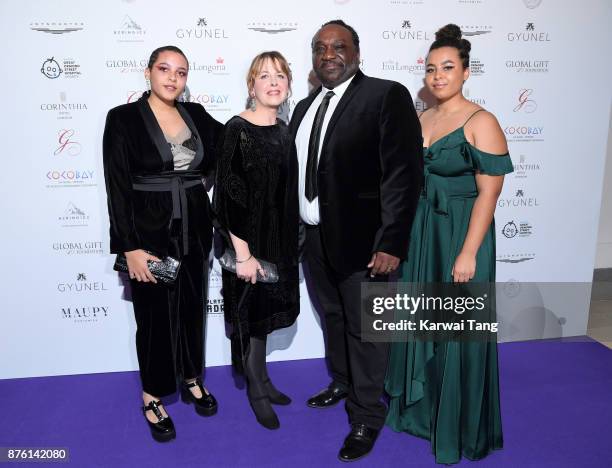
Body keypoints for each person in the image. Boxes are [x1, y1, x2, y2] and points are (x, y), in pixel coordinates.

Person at [290, 20, 423, 461]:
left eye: (339, 46)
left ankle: (366, 416)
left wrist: (391, 242)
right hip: (313, 240)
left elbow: (403, 176)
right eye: (320, 48)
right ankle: (342, 382)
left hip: (367, 244)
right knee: (333, 318)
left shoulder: (385, 95)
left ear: (357, 52)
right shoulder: (305, 107)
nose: (329, 55)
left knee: (367, 331)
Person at [384, 24, 512, 464]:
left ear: (466, 71)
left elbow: (489, 193)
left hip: (459, 233)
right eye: (431, 69)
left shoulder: (482, 121)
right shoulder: (423, 117)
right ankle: (421, 414)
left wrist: (468, 252)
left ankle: (457, 426)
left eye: (448, 68)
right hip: (423, 233)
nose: (438, 76)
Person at [102, 46, 223, 442]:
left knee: (192, 305)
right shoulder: (122, 119)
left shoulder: (197, 115)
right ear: (148, 72)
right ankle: (152, 394)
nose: (173, 78)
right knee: (153, 316)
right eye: (164, 69)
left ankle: (191, 376)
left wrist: (265, 108)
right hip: (147, 231)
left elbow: (234, 145)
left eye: (181, 72)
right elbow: (117, 187)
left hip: (194, 225)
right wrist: (128, 246)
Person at [213, 51, 299, 430]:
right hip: (248, 244)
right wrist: (244, 255)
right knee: (251, 315)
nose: (274, 82)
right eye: (265, 76)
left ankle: (263, 378)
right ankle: (256, 391)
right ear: (252, 86)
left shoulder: (284, 130)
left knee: (265, 319)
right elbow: (229, 194)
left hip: (278, 242)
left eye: (280, 75)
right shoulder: (237, 128)